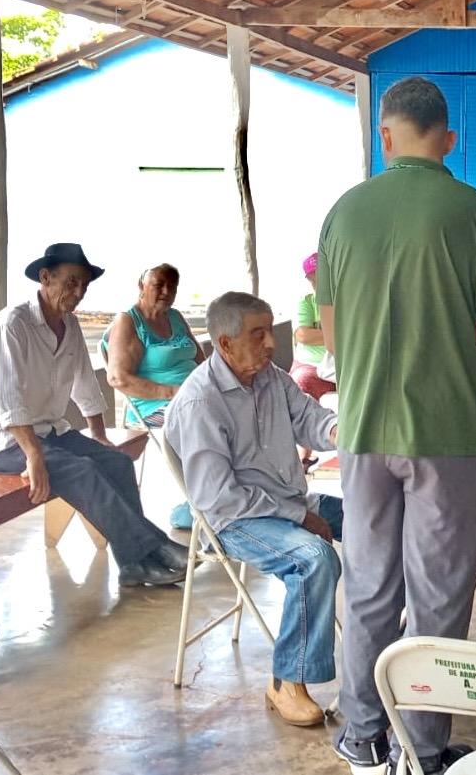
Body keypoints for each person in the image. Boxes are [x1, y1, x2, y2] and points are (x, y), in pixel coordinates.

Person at [320, 76, 476, 775]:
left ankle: (362, 735)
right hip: (443, 433)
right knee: (439, 592)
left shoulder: (343, 213)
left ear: (385, 134)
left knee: (368, 584)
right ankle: (421, 749)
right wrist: (451, 378)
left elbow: (333, 335)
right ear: (448, 138)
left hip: (360, 432)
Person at [164, 292, 343, 728]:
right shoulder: (200, 401)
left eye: (269, 331)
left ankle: (393, 642)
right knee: (314, 559)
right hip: (234, 520)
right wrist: (299, 517)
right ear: (225, 343)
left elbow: (310, 420)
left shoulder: (270, 378)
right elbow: (217, 498)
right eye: (258, 334)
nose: (270, 343)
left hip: (286, 503)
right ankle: (287, 681)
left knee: (380, 519)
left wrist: (341, 430)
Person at [0, 243, 188, 587]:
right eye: (71, 282)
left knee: (117, 462)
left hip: (50, 433)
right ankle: (154, 548)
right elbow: (7, 398)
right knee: (83, 471)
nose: (79, 292)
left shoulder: (69, 325)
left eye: (84, 285)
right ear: (45, 277)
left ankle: (133, 565)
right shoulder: (12, 325)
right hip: (7, 442)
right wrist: (33, 455)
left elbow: (85, 383)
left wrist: (98, 435)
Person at [104, 263, 204, 529]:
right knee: (207, 423)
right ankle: (199, 505)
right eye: (159, 285)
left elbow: (201, 360)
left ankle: (233, 492)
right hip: (154, 406)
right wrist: (172, 393)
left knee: (242, 409)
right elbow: (118, 378)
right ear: (142, 286)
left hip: (193, 400)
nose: (166, 291)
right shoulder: (128, 321)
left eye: (172, 286)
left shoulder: (175, 317)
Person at [290, 252, 335, 467]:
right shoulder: (307, 302)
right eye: (314, 278)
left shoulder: (347, 300)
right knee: (301, 382)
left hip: (341, 364)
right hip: (312, 365)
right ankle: (303, 456)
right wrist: (337, 335)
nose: (318, 282)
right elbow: (303, 335)